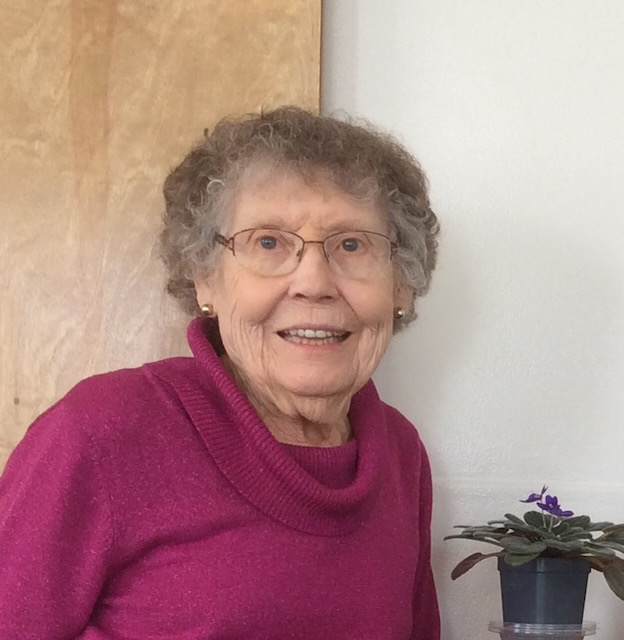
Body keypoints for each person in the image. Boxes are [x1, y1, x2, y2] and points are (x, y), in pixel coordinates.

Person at [0, 106, 441, 639]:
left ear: (400, 286)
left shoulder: (399, 454)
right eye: (269, 243)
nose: (314, 282)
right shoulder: (100, 434)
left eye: (352, 245)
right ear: (205, 279)